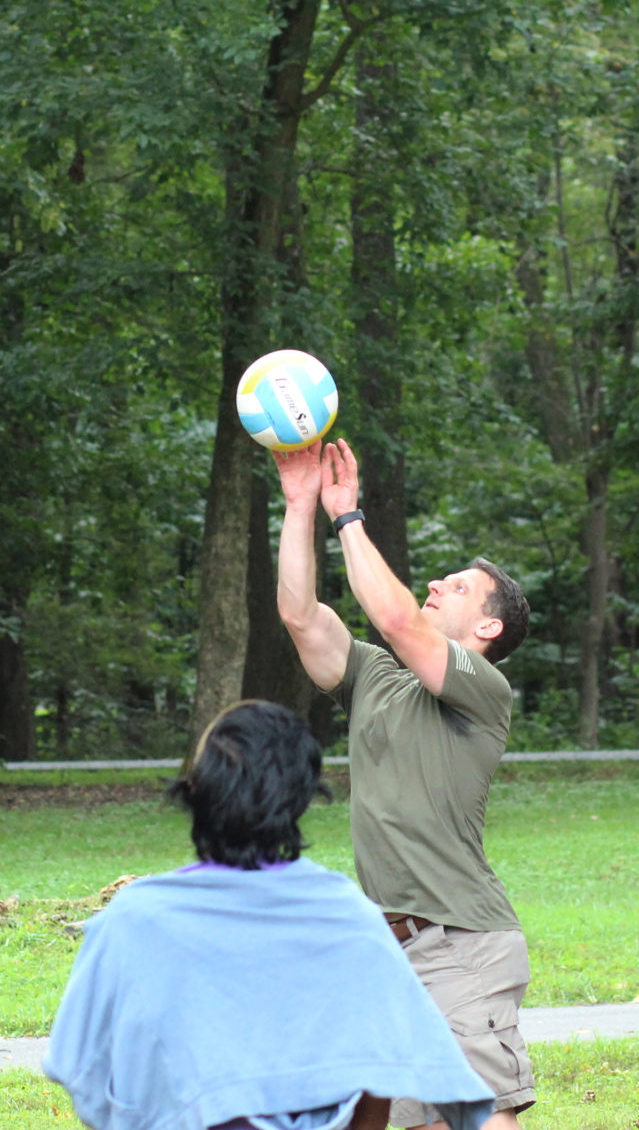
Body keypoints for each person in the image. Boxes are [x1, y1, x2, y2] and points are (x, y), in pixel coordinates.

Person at [43, 700, 496, 1130]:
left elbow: (81, 1068)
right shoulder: (347, 916)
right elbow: (381, 1068)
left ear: (196, 791)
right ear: (303, 797)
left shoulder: (134, 920)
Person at [274, 438, 536, 1130]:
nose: (434, 588)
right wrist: (301, 505)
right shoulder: (375, 678)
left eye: (454, 587)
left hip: (460, 940)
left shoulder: (485, 690)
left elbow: (394, 618)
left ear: (487, 624)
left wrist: (348, 516)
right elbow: (302, 616)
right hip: (389, 947)